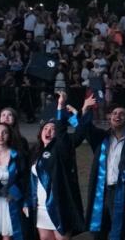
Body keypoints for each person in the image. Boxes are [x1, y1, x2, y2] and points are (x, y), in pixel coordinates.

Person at [76, 94, 125, 240]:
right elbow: (85, 128)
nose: (117, 116)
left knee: (120, 230)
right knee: (98, 231)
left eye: (122, 114)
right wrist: (85, 108)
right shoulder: (101, 138)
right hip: (102, 191)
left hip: (122, 191)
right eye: (114, 113)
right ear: (109, 117)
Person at [30, 92, 87, 240]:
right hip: (41, 208)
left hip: (59, 207)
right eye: (46, 128)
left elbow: (79, 134)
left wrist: (68, 111)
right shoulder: (35, 152)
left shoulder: (62, 148)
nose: (48, 131)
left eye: (52, 129)